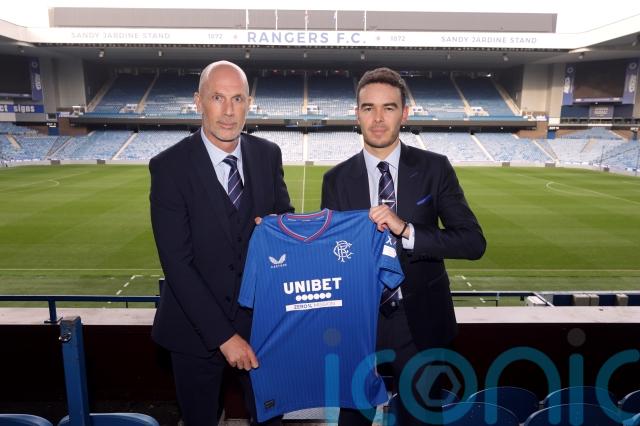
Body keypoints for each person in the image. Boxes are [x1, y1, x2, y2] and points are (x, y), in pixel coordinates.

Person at [321, 67, 486, 425]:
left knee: (421, 418)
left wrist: (407, 230)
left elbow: (473, 242)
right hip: (359, 325)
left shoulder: (434, 169)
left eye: (389, 107)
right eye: (368, 108)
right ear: (357, 114)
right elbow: (333, 256)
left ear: (405, 113)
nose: (378, 118)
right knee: (352, 420)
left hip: (421, 324)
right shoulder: (335, 180)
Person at [149, 60, 292, 426]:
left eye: (238, 99)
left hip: (261, 326)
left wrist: (278, 230)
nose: (229, 111)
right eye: (218, 98)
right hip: (194, 332)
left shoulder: (268, 155)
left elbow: (285, 226)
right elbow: (177, 264)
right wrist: (224, 337)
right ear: (199, 101)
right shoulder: (169, 167)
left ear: (249, 104)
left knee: (271, 419)